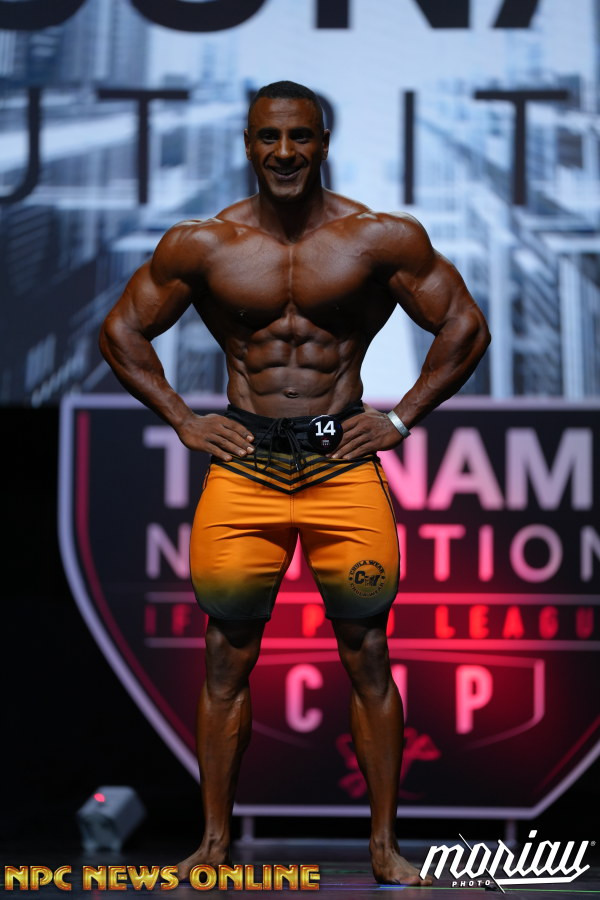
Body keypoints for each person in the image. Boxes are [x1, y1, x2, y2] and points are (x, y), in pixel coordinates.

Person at [99, 80, 490, 885]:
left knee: (368, 651)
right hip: (245, 470)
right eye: (269, 137)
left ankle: (384, 848)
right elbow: (122, 331)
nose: (284, 152)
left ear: (322, 142)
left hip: (341, 467)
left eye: (300, 136)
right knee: (226, 656)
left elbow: (465, 326)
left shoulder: (377, 238)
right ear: (248, 144)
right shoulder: (203, 244)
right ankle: (215, 844)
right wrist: (182, 419)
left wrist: (403, 417)